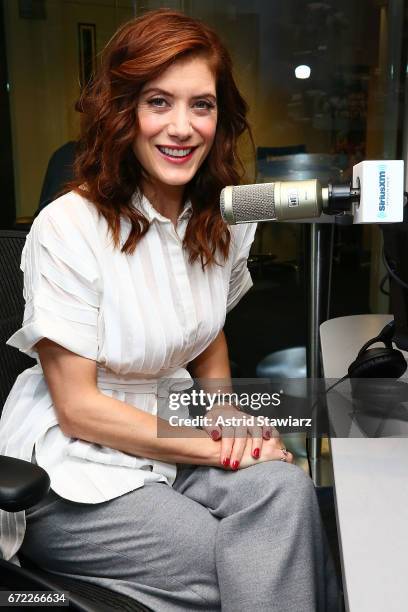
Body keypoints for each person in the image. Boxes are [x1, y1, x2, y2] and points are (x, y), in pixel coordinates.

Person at [0, 9, 339, 611]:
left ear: (220, 116)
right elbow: (78, 409)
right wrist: (221, 447)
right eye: (159, 102)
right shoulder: (69, 228)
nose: (182, 127)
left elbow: (207, 333)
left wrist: (228, 410)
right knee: (253, 561)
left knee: (288, 493)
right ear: (123, 111)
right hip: (77, 469)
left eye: (201, 105)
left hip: (172, 429)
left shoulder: (223, 219)